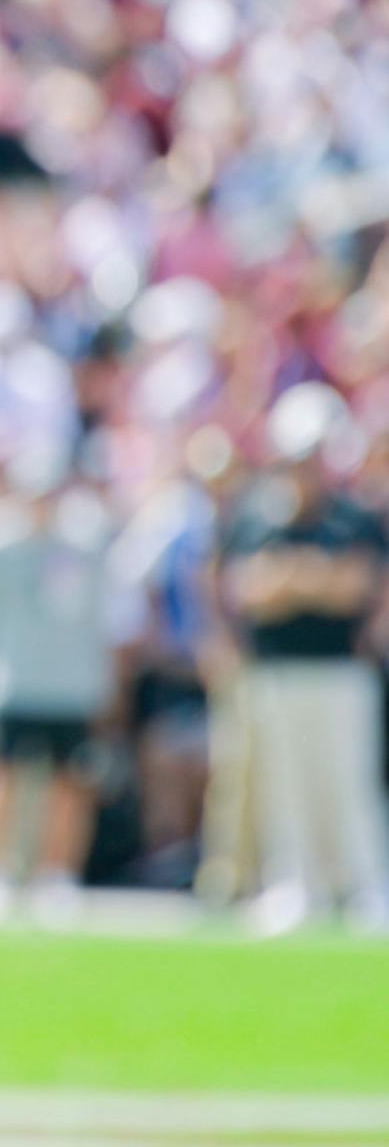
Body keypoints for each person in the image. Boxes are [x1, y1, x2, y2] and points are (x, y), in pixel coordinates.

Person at [216, 385, 389, 932]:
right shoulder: (255, 516)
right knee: (283, 789)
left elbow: (357, 586)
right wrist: (315, 578)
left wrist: (291, 579)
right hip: (274, 671)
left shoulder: (354, 518)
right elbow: (246, 590)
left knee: (347, 781)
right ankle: (294, 883)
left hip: (341, 670)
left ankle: (363, 884)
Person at [0, 470, 131, 927]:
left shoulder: (84, 544)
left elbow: (99, 609)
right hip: (11, 681)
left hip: (68, 686)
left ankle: (57, 875)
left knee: (70, 783)